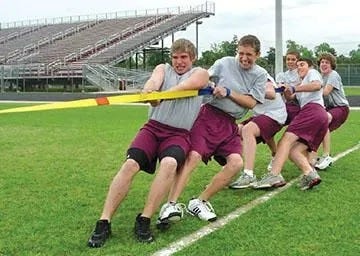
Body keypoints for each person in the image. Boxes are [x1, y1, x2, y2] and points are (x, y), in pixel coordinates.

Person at [87, 38, 209, 247]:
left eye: (184, 57)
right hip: (152, 129)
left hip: (178, 134)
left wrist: (162, 96)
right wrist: (149, 92)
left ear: (193, 58)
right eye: (175, 57)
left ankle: (144, 219)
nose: (179, 61)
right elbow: (154, 80)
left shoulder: (200, 73)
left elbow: (190, 85)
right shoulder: (163, 68)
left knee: (170, 164)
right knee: (129, 165)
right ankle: (104, 221)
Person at [157, 35, 268, 224]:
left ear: (258, 54)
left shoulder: (260, 74)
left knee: (236, 163)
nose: (244, 58)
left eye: (249, 54)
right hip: (208, 115)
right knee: (193, 157)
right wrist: (208, 84)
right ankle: (171, 204)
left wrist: (229, 92)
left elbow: (251, 102)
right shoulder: (224, 63)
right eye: (240, 53)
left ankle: (199, 201)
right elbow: (203, 77)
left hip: (230, 123)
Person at [254, 57, 328, 190]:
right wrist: (287, 89)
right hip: (319, 117)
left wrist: (294, 87)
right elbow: (291, 97)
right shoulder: (301, 82)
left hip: (312, 111)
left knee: (284, 141)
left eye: (302, 64)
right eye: (297, 65)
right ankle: (310, 174)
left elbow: (317, 85)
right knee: (294, 151)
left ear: (310, 66)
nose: (299, 67)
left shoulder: (312, 73)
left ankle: (274, 175)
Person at [229, 75, 287, 189]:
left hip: (275, 115)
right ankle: (229, 172)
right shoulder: (240, 78)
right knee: (236, 130)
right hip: (260, 115)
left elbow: (271, 93)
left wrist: (251, 92)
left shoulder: (260, 75)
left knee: (248, 130)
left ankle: (248, 174)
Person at [314, 52, 350, 170]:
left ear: (331, 65)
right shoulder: (320, 76)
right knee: (318, 125)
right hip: (329, 108)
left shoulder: (333, 74)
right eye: (322, 62)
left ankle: (326, 155)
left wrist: (310, 88)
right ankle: (313, 156)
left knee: (325, 119)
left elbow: (325, 92)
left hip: (340, 108)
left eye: (327, 62)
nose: (324, 64)